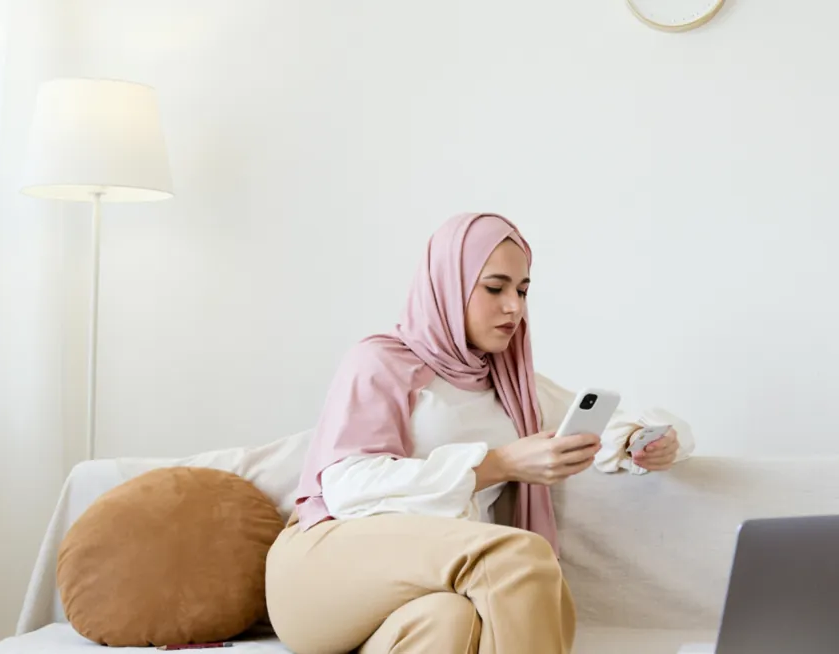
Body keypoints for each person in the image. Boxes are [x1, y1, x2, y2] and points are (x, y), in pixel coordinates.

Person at [266, 213, 694, 654]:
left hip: (422, 589)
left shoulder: (512, 384)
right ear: (449, 285)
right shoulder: (382, 361)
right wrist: (499, 465)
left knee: (451, 623)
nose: (515, 306)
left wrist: (648, 442)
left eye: (523, 290)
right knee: (517, 556)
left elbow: (616, 423)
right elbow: (345, 487)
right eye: (495, 287)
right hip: (323, 565)